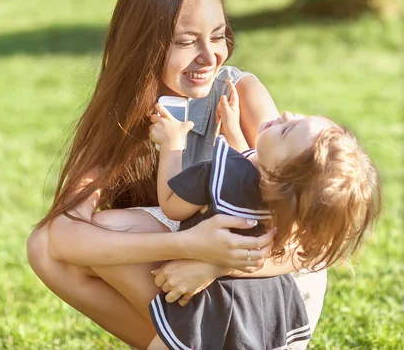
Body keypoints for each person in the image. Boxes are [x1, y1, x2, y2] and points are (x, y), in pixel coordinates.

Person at [26, 0, 317, 349]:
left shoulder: (240, 95)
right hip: (191, 268)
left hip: (269, 289)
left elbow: (304, 243)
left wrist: (213, 263)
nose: (210, 56)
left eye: (218, 36)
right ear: (143, 46)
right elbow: (60, 239)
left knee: (105, 234)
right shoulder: (125, 112)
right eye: (185, 41)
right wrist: (189, 246)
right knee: (44, 248)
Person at [146, 101, 382, 350]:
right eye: (300, 118)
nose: (287, 114)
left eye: (287, 130)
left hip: (209, 310)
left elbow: (171, 204)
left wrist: (172, 144)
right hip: (262, 309)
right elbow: (251, 169)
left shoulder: (215, 174)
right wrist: (233, 131)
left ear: (275, 175)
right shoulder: (281, 205)